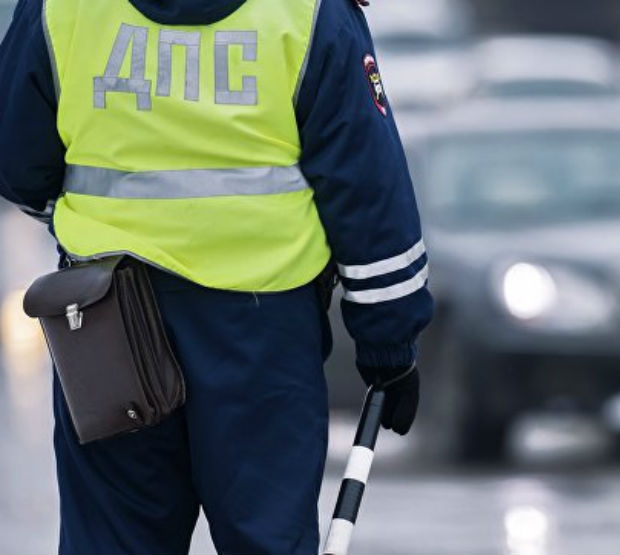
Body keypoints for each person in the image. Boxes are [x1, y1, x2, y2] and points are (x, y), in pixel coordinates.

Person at [0, 0, 433, 552]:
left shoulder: (62, 8)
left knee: (114, 539)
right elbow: (366, 187)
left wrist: (89, 230)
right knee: (266, 539)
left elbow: (17, 161)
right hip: (261, 332)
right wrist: (389, 342)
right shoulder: (308, 11)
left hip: (106, 321)